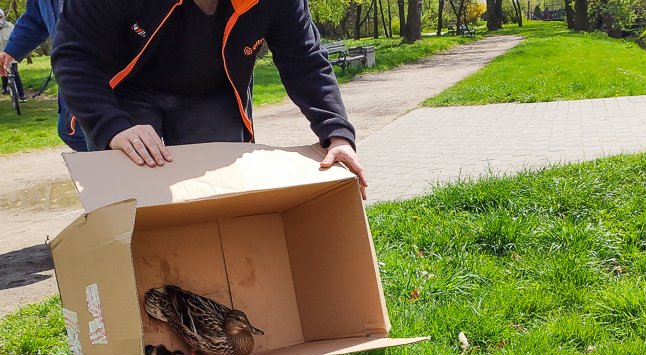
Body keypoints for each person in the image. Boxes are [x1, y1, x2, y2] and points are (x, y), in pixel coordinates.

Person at [52, 0, 369, 199]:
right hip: (126, 92)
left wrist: (337, 133)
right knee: (129, 199)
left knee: (221, 197)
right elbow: (74, 57)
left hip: (213, 93)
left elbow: (305, 60)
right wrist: (111, 127)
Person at [0, 1, 87, 151]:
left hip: (104, 68)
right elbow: (35, 21)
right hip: (70, 69)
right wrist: (11, 51)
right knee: (70, 131)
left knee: (97, 129)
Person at [0, 9, 27, 103]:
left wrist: (14, 50)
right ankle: (4, 87)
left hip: (10, 53)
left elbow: (15, 37)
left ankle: (22, 95)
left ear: (3, 16)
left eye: (0, 16)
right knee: (3, 71)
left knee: (15, 73)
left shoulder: (9, 26)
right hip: (0, 55)